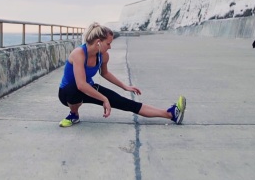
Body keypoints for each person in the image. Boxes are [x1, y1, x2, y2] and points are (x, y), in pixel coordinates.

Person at [58, 22, 186, 127]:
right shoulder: (79, 53)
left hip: (88, 89)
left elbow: (105, 73)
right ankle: (73, 114)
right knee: (72, 88)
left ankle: (170, 114)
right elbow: (80, 85)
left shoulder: (103, 56)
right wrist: (104, 99)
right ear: (98, 42)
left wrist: (125, 87)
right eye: (108, 43)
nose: (110, 47)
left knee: (126, 103)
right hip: (67, 93)